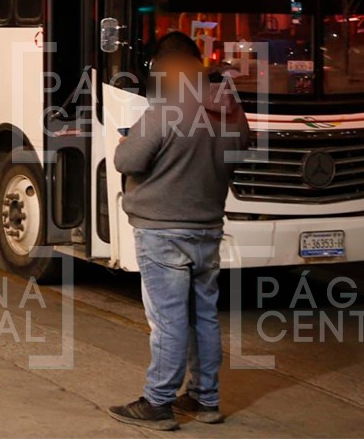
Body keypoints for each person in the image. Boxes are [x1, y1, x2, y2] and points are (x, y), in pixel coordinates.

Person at [109, 31, 249, 430]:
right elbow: (236, 153)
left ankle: (158, 402)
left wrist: (130, 139)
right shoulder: (232, 109)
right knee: (202, 316)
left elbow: (128, 160)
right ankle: (206, 399)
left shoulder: (166, 108)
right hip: (207, 227)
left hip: (163, 231)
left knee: (168, 320)